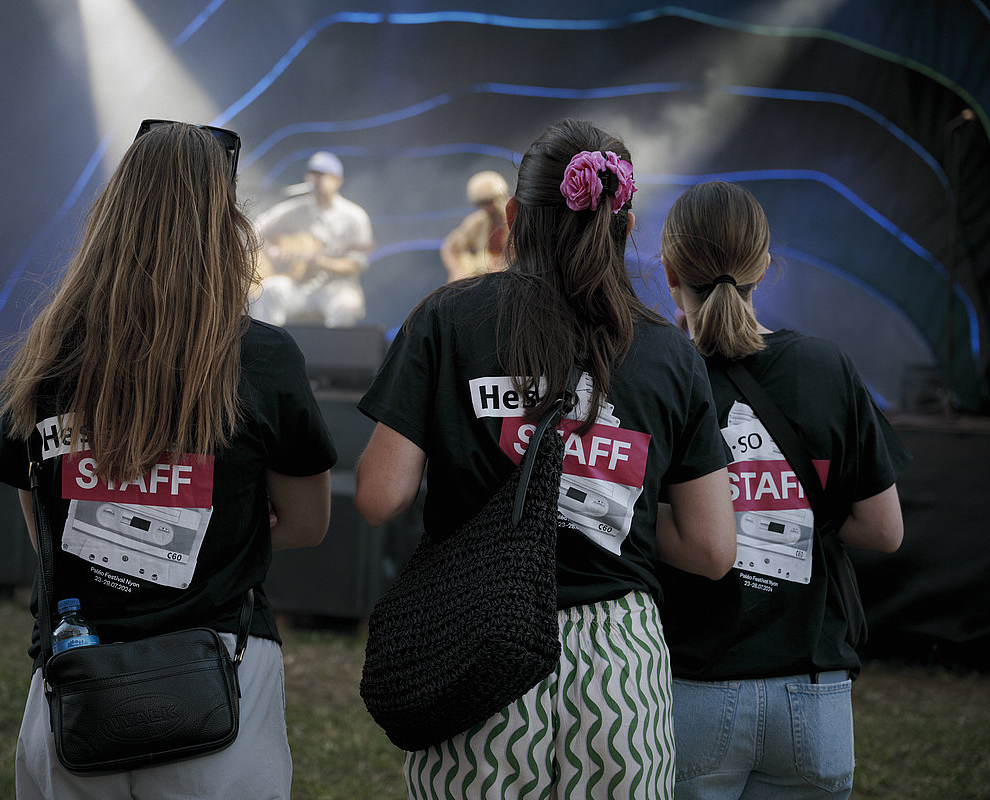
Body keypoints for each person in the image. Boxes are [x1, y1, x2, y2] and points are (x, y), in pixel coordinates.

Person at [354, 118, 737, 799]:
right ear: (624, 221)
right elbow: (712, 549)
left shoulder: (447, 318)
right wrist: (621, 520)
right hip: (620, 660)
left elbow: (381, 495)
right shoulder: (672, 355)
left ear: (511, 217)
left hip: (474, 638)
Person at [0, 120, 337, 800]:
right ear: (225, 223)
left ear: (111, 213)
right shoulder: (262, 358)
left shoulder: (49, 350)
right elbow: (307, 522)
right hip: (220, 686)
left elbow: (45, 530)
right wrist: (210, 524)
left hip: (75, 691)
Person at [657, 181, 911, 800]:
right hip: (815, 697)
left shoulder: (658, 373)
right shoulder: (828, 367)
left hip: (693, 689)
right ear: (766, 265)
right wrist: (795, 512)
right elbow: (884, 529)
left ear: (668, 271)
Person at [249, 150, 374, 327]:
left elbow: (356, 264)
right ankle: (265, 351)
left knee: (345, 307)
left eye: (322, 175)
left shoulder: (354, 216)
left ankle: (333, 354)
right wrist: (273, 251)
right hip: (301, 287)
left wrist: (322, 262)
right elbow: (255, 229)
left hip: (338, 288)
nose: (316, 179)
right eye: (312, 174)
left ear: (337, 180)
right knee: (270, 290)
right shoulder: (295, 209)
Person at [439, 169, 510, 281]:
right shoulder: (477, 222)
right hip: (486, 280)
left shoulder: (517, 219)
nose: (486, 208)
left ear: (502, 196)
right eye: (481, 204)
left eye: (489, 202)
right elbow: (449, 248)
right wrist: (458, 273)